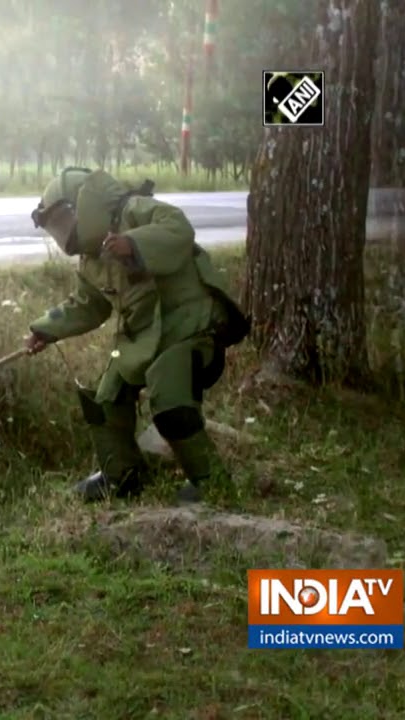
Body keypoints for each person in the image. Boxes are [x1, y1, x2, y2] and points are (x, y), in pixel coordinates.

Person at [24, 167, 251, 504]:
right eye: (55, 229)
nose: (63, 236)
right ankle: (122, 476)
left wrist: (133, 244)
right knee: (106, 398)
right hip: (143, 335)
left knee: (169, 395)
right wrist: (45, 329)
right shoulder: (92, 260)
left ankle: (210, 482)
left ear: (82, 204)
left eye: (62, 221)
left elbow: (178, 228)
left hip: (191, 324)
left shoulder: (135, 210)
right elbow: (88, 305)